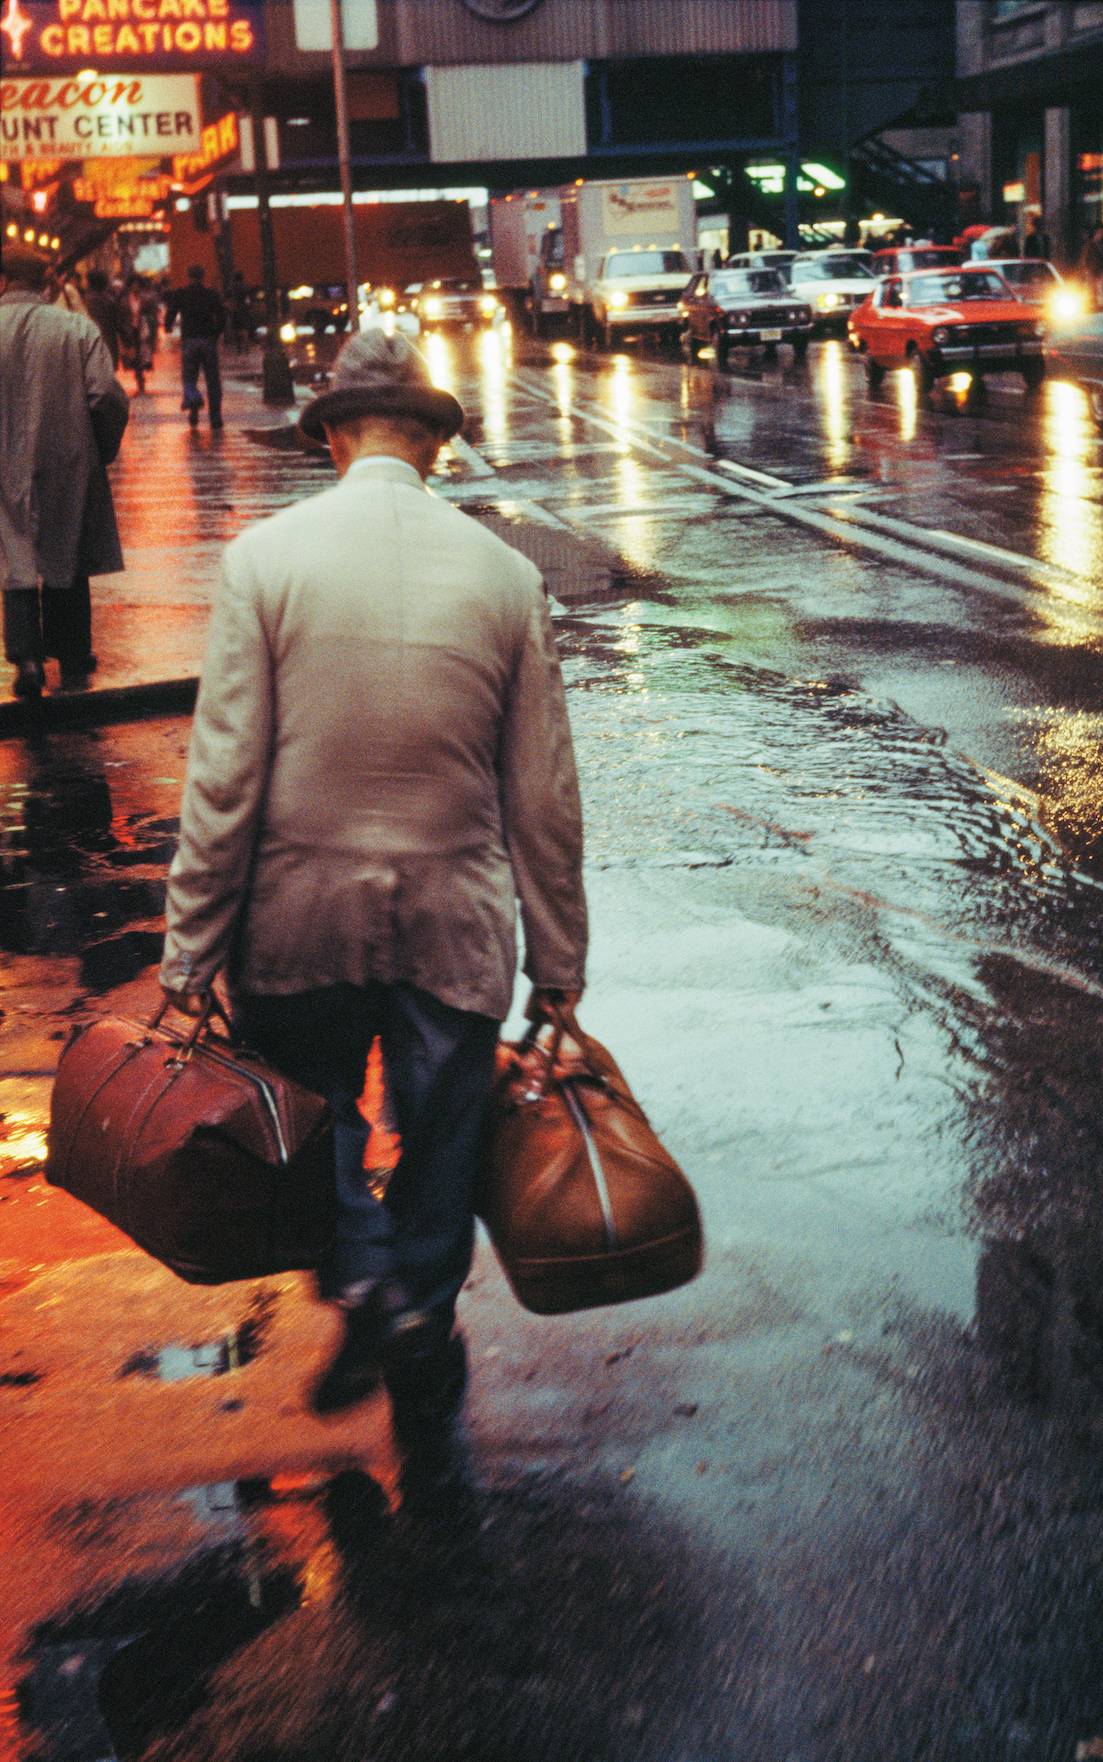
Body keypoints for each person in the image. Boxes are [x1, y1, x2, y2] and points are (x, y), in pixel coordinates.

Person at [159, 330, 588, 1467]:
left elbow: (225, 772)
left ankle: (357, 1269)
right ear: (437, 447)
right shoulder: (506, 575)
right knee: (444, 1130)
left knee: (316, 1118)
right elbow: (542, 788)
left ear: (335, 438)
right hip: (456, 914)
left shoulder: (266, 560)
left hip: (298, 915)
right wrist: (560, 956)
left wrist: (190, 944)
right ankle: (421, 1314)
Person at [0, 251, 128, 699]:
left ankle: (27, 660)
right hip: (66, 456)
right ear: (48, 285)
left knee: (14, 558)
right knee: (66, 549)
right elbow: (105, 397)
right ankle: (71, 651)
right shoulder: (75, 330)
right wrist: (97, 449)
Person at [164, 264, 227, 429]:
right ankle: (215, 417)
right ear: (203, 276)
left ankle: (193, 408)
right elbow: (222, 316)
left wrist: (168, 326)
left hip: (189, 341)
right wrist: (215, 333)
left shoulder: (181, 294)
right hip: (207, 340)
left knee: (189, 378)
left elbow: (171, 313)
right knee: (213, 380)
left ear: (188, 276)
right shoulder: (211, 294)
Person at [83, 268, 128, 368]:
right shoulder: (108, 300)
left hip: (90, 340)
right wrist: (127, 341)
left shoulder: (86, 299)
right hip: (108, 340)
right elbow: (118, 322)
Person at [1084, 222, 1103, 309]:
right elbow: (1086, 254)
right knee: (1091, 287)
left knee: (1101, 287)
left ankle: (1101, 305)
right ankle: (1092, 303)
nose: (1102, 232)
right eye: (1101, 231)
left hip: (1101, 268)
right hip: (1092, 268)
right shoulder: (1091, 240)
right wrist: (1086, 267)